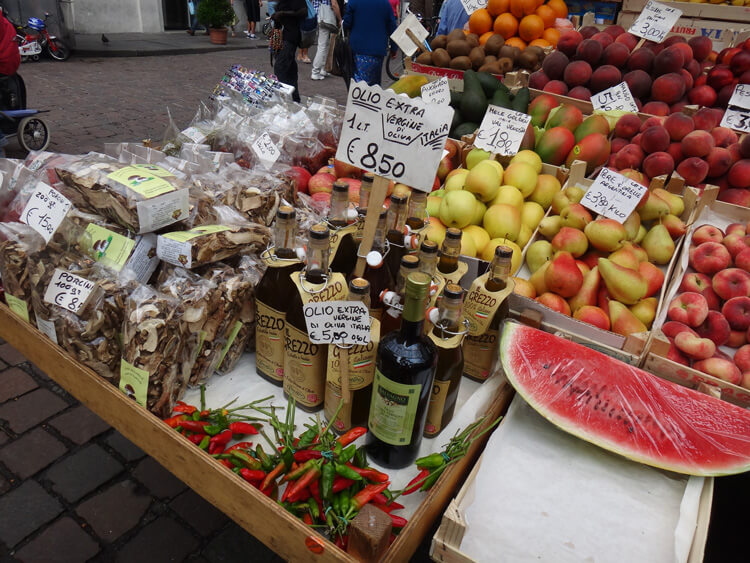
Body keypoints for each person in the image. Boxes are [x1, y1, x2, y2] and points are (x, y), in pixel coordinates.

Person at [343, 0, 397, 86]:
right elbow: (392, 27)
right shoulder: (385, 3)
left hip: (359, 47)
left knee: (360, 84)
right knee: (375, 84)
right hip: (378, 49)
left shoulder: (354, 1)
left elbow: (347, 23)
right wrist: (394, 48)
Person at [272, 0, 307, 102]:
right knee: (290, 68)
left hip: (291, 35)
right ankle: (295, 98)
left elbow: (304, 12)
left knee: (280, 67)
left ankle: (285, 99)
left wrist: (282, 14)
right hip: (283, 35)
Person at [311, 0, 342, 80]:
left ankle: (323, 69)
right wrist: (340, 19)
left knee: (324, 44)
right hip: (325, 16)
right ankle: (315, 71)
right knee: (322, 45)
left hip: (318, 15)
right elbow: (334, 3)